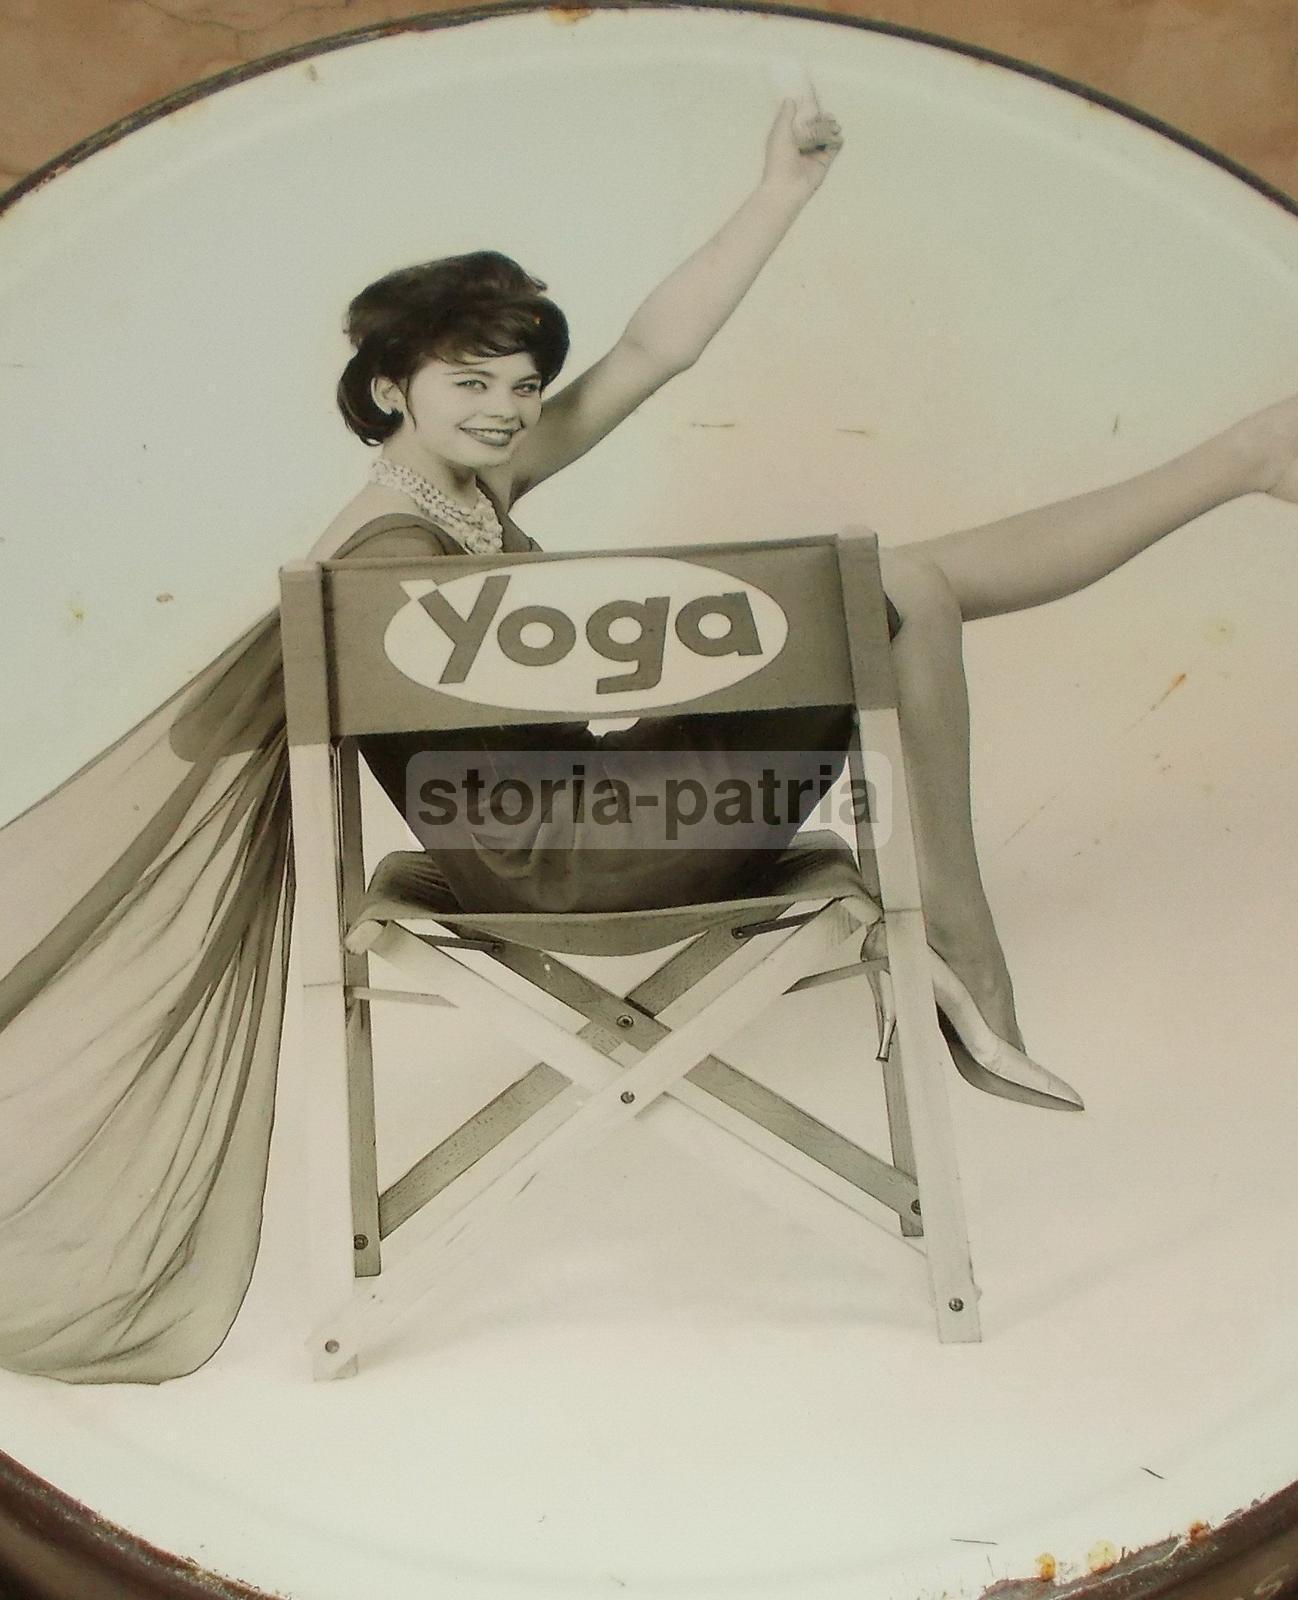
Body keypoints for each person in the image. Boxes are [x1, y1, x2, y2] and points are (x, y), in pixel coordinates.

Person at [2, 95, 1297, 1384]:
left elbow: (646, 352)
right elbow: (247, 731)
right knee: (897, 588)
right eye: (471, 383)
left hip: (600, 813)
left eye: (521, 385)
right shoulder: (385, 548)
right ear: (391, 386)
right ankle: (966, 930)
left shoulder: (465, 488)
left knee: (909, 585)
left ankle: (1238, 463)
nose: (509, 408)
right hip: (574, 862)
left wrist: (780, 190)